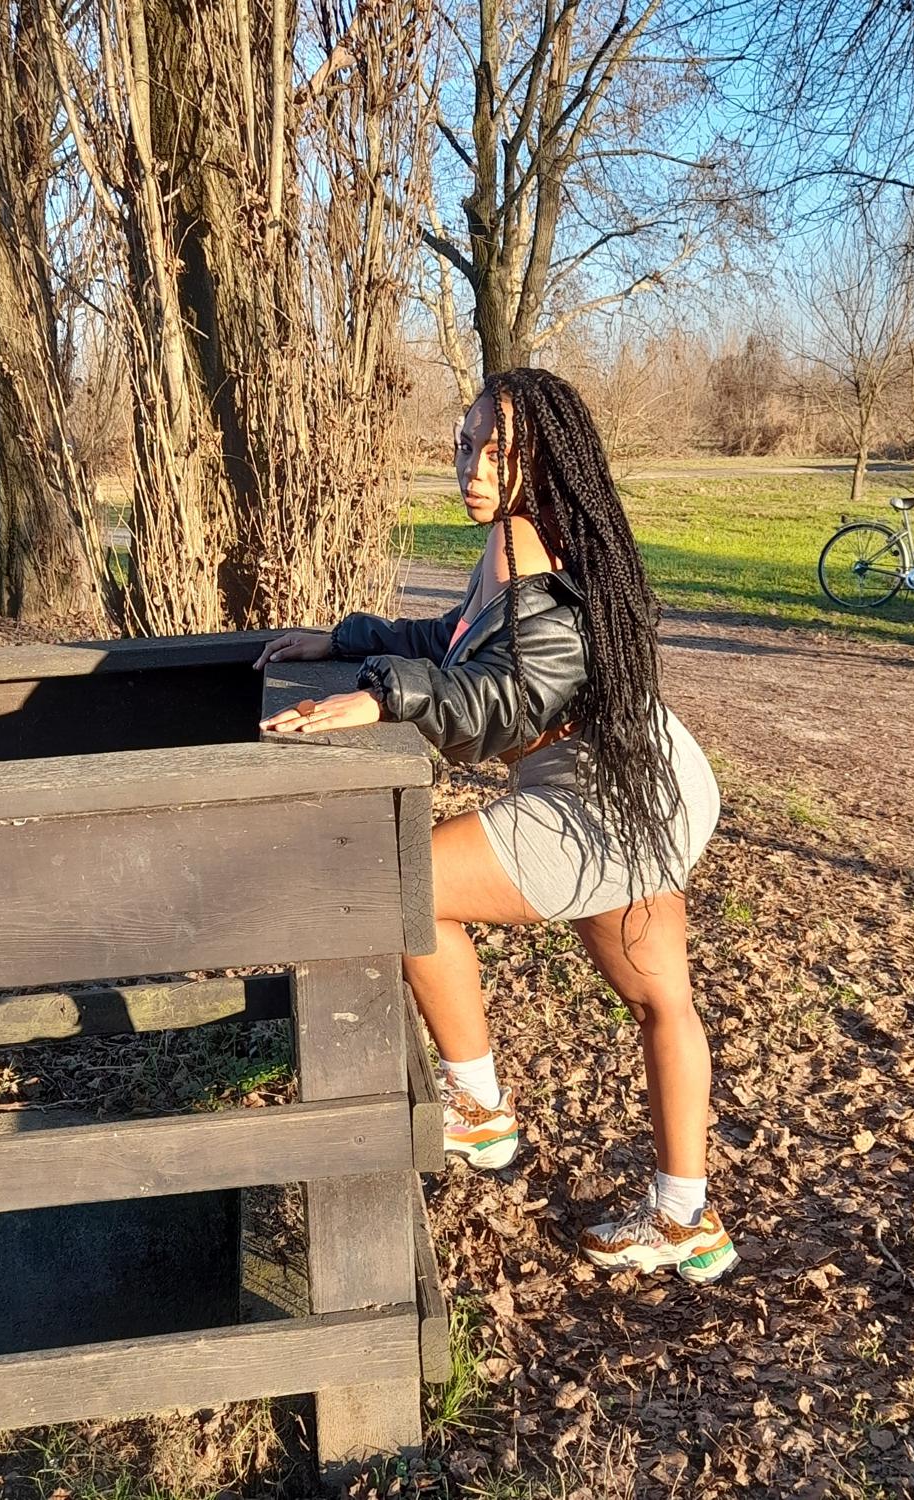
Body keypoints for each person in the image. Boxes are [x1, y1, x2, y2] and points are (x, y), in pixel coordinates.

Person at [256, 367, 737, 1285]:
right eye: (465, 444)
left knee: (397, 885)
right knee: (660, 1002)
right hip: (651, 775)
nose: (473, 468)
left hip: (595, 796)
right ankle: (685, 1219)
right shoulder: (532, 534)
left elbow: (519, 693)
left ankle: (478, 1111)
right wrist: (353, 641)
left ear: (541, 460)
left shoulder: (523, 542)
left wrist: (382, 698)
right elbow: (464, 638)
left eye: (498, 451)